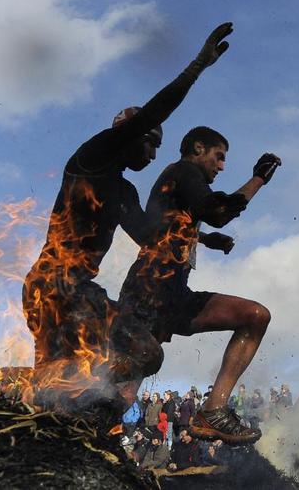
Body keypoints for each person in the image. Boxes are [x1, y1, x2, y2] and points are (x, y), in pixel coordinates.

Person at [20, 23, 234, 413]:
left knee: (147, 356)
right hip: (52, 288)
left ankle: (74, 399)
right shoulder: (93, 159)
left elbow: (150, 236)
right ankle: (42, 394)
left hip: (84, 292)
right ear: (130, 135)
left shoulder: (124, 191)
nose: (153, 157)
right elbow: (155, 109)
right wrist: (197, 67)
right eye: (151, 145)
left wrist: (200, 236)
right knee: (58, 387)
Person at [118, 126, 281, 443]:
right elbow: (219, 211)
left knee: (255, 316)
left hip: (175, 296)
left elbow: (166, 224)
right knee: (124, 388)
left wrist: (204, 238)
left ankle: (213, 412)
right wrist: (258, 179)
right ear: (197, 149)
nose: (221, 167)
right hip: (147, 293)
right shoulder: (184, 170)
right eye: (218, 157)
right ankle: (85, 433)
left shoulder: (178, 184)